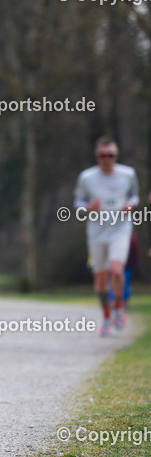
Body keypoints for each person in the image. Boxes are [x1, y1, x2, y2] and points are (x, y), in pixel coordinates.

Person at [74, 136, 139, 336]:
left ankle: (118, 306)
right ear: (97, 156)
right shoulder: (87, 177)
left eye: (111, 155)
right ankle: (107, 315)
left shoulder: (128, 174)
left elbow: (134, 196)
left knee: (117, 270)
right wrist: (88, 207)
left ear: (116, 155)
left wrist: (131, 204)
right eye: (103, 155)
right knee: (101, 278)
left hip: (120, 228)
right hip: (97, 231)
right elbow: (78, 203)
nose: (107, 159)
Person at [108, 232, 141, 325]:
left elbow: (135, 254)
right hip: (117, 265)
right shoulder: (113, 238)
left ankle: (124, 302)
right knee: (114, 284)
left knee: (125, 285)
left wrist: (135, 264)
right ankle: (114, 301)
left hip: (128, 267)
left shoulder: (132, 240)